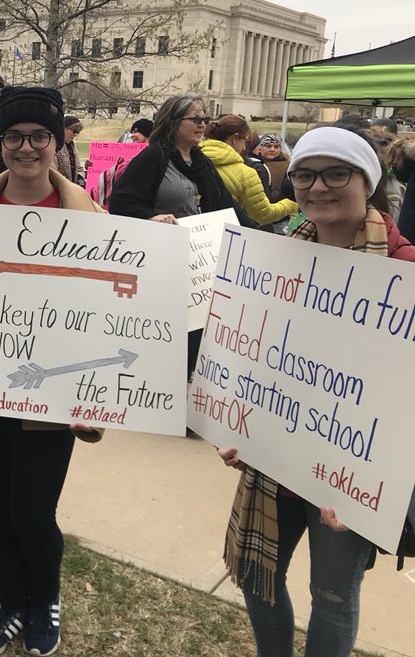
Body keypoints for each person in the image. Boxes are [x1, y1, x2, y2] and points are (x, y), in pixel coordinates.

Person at [219, 124, 413, 657]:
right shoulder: (273, 262)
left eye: (336, 173)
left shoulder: (403, 271)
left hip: (347, 479)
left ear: (367, 181)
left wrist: (380, 481)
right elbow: (251, 355)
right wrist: (231, 420)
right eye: (305, 173)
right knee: (258, 578)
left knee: (331, 596)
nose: (318, 187)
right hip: (274, 462)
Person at [0, 86, 103, 657]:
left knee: (32, 508)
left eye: (38, 136)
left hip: (53, 392)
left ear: (55, 142)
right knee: (1, 502)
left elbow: (110, 317)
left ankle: (44, 598)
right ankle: (12, 602)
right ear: (0, 143)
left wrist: (95, 402)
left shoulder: (92, 220)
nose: (26, 148)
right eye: (15, 136)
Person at [108, 95, 252, 379]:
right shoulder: (154, 157)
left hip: (200, 267)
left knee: (198, 337)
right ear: (173, 123)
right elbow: (121, 203)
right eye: (195, 119)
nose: (202, 125)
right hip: (161, 268)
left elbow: (227, 206)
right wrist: (150, 217)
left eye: (204, 119)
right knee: (169, 339)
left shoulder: (202, 162)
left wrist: (258, 237)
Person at [199, 115, 297, 228]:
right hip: (223, 233)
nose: (245, 147)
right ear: (236, 138)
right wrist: (293, 204)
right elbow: (263, 214)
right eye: (245, 140)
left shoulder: (191, 160)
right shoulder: (246, 174)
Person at [53, 115, 84, 186]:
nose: (75, 134)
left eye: (77, 132)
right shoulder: (54, 146)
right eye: (74, 131)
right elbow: (52, 172)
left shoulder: (73, 147)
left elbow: (79, 168)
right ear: (63, 128)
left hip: (72, 189)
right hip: (58, 189)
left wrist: (80, 180)